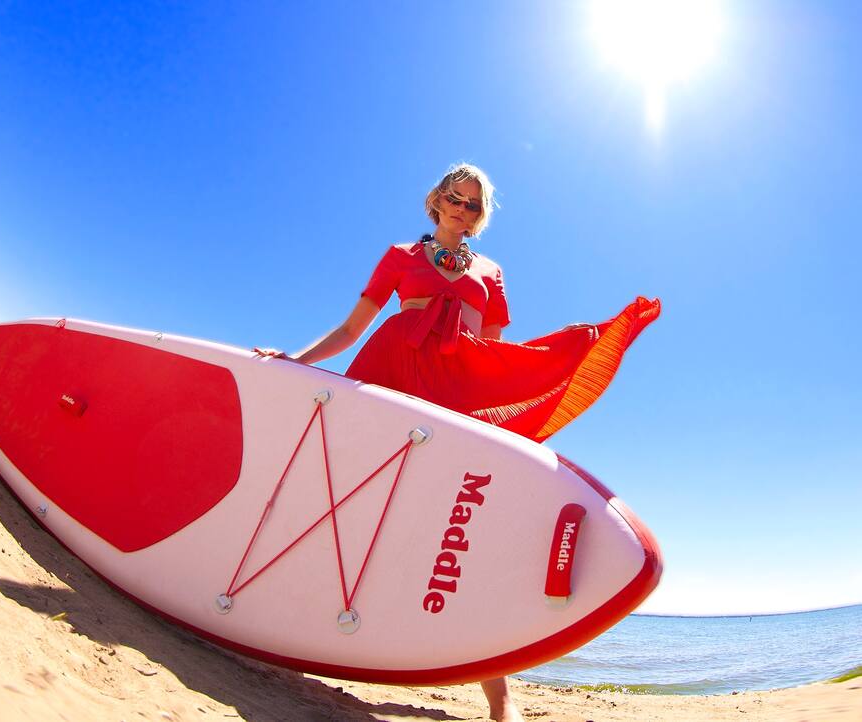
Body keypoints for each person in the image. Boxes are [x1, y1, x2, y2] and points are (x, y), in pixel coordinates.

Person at [258, 163, 659, 722]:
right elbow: (352, 329)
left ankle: (500, 698)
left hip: (454, 391)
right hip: (392, 373)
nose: (462, 209)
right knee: (350, 499)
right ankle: (284, 621)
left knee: (455, 522)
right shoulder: (400, 255)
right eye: (455, 197)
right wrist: (296, 360)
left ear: (480, 215)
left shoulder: (491, 272)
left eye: (473, 204)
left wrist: (560, 358)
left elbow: (495, 354)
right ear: (437, 199)